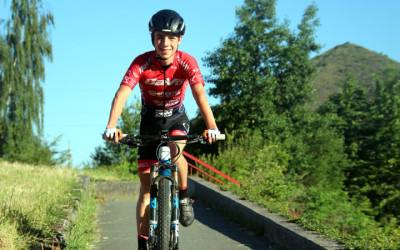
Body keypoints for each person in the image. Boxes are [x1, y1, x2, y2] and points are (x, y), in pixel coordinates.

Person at [103, 9, 220, 250]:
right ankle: (142, 243)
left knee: (175, 151)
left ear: (179, 40)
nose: (164, 43)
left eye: (170, 37)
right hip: (150, 122)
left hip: (177, 118)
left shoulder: (187, 62)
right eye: (159, 36)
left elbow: (200, 95)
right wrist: (112, 126)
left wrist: (212, 127)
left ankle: (185, 196)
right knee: (146, 188)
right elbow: (122, 94)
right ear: (152, 38)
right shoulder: (141, 62)